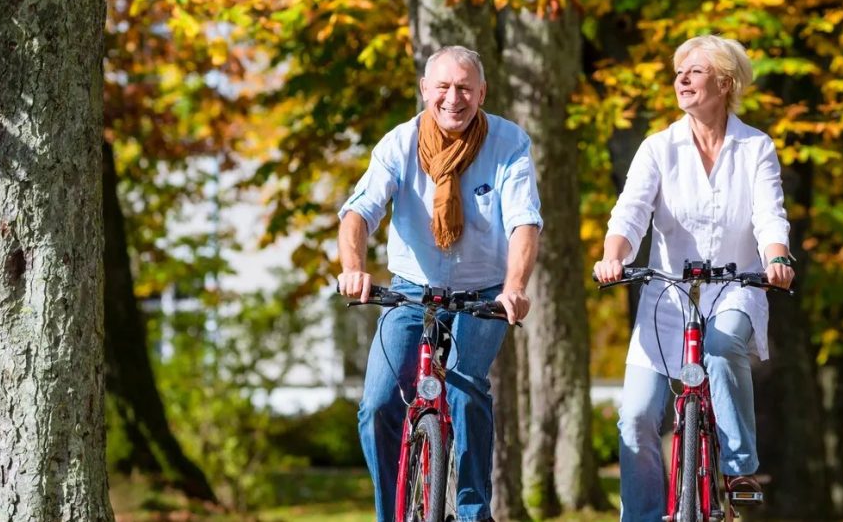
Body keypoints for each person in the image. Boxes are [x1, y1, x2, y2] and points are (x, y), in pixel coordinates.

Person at [593, 35, 796, 522]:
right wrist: (612, 257)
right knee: (637, 417)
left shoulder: (755, 148)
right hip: (667, 297)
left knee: (723, 347)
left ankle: (740, 468)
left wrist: (777, 258)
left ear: (725, 83)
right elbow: (630, 215)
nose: (681, 79)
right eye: (679, 71)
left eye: (695, 71)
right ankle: (641, 516)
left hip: (736, 289)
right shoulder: (658, 148)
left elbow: (770, 215)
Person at [337, 45, 542, 522]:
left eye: (466, 87)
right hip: (410, 291)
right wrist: (353, 268)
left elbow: (524, 222)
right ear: (425, 91)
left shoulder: (509, 143)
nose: (455, 98)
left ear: (482, 92)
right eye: (444, 87)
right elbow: (357, 213)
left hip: (484, 293)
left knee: (467, 391)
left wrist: (515, 286)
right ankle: (391, 514)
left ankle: (473, 513)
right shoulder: (399, 143)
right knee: (378, 404)